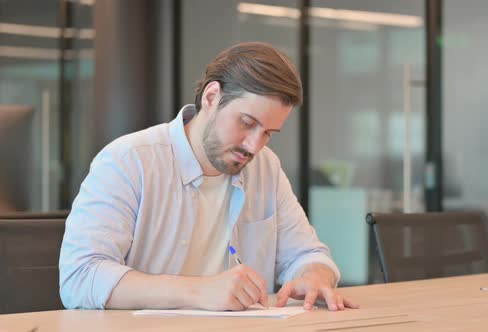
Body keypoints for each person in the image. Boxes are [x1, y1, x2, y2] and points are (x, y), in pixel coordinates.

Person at [59, 42, 359, 312]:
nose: (254, 145)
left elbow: (309, 254)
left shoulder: (265, 167)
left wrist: (316, 276)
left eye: (267, 133)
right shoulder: (129, 161)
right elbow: (80, 277)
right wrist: (199, 291)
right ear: (212, 97)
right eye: (247, 123)